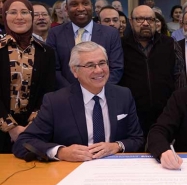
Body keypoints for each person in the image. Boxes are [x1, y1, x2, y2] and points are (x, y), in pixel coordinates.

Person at [13, 42, 144, 161]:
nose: (99, 70)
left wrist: (117, 146)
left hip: (113, 169)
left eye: (102, 63)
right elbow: (23, 142)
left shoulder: (123, 95)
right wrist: (61, 152)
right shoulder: (56, 101)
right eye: (90, 65)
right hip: (71, 171)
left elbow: (137, 139)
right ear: (75, 71)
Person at [119, 5, 186, 145]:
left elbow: (179, 77)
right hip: (132, 116)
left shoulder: (170, 44)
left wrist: (177, 108)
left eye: (150, 19)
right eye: (140, 19)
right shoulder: (121, 46)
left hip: (165, 113)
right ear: (131, 22)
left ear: (156, 22)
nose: (145, 23)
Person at [0, 0, 55, 153]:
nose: (19, 17)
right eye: (13, 12)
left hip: (35, 130)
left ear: (31, 16)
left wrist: (30, 127)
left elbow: (48, 92)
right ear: (4, 17)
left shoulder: (46, 52)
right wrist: (11, 128)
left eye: (24, 12)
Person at [47, 0, 123, 89]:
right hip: (67, 97)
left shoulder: (110, 34)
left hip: (102, 96)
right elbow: (53, 70)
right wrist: (73, 93)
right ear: (66, 8)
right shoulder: (55, 34)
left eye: (85, 3)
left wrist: (97, 90)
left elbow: (116, 68)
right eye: (74, 4)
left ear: (91, 6)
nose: (81, 8)